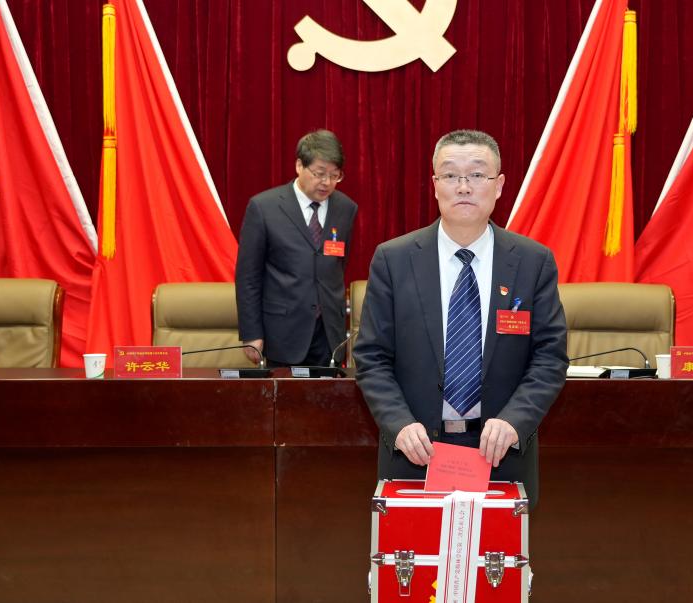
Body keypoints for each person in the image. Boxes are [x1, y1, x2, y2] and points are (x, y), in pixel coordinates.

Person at [353, 129, 568, 506]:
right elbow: (372, 358)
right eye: (451, 175)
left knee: (498, 548)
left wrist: (514, 421)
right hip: (416, 452)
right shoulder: (393, 259)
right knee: (413, 547)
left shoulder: (533, 262)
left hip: (500, 454)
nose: (464, 187)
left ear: (499, 186)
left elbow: (549, 358)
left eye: (477, 174)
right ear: (435, 185)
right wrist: (399, 424)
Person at [236, 130, 358, 366]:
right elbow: (248, 277)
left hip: (328, 334)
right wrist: (251, 334)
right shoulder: (264, 208)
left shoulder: (346, 208)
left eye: (335, 175)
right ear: (299, 166)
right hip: (282, 332)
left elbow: (339, 265)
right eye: (319, 173)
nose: (327, 182)